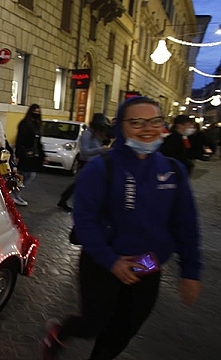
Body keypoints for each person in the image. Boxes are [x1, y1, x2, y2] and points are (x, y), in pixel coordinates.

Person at [41, 96, 202, 360]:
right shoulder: (100, 167)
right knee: (96, 322)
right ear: (121, 127)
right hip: (103, 262)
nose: (147, 128)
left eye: (154, 121)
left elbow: (186, 223)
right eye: (136, 122)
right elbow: (85, 220)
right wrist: (112, 260)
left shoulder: (173, 171)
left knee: (124, 329)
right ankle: (62, 330)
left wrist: (191, 271)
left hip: (148, 263)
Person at [57, 113, 111, 212]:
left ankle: (64, 199)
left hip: (93, 163)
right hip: (86, 162)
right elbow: (85, 151)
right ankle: (66, 200)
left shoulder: (96, 134)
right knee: (80, 184)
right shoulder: (87, 134)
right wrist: (101, 149)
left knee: (80, 183)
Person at [14, 104, 48, 206]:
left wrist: (43, 155)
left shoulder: (37, 125)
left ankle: (16, 192)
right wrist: (18, 154)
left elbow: (38, 142)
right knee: (23, 174)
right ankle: (15, 193)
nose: (36, 114)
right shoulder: (25, 124)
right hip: (25, 153)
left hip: (33, 154)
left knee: (29, 174)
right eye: (35, 111)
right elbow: (19, 140)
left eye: (38, 112)